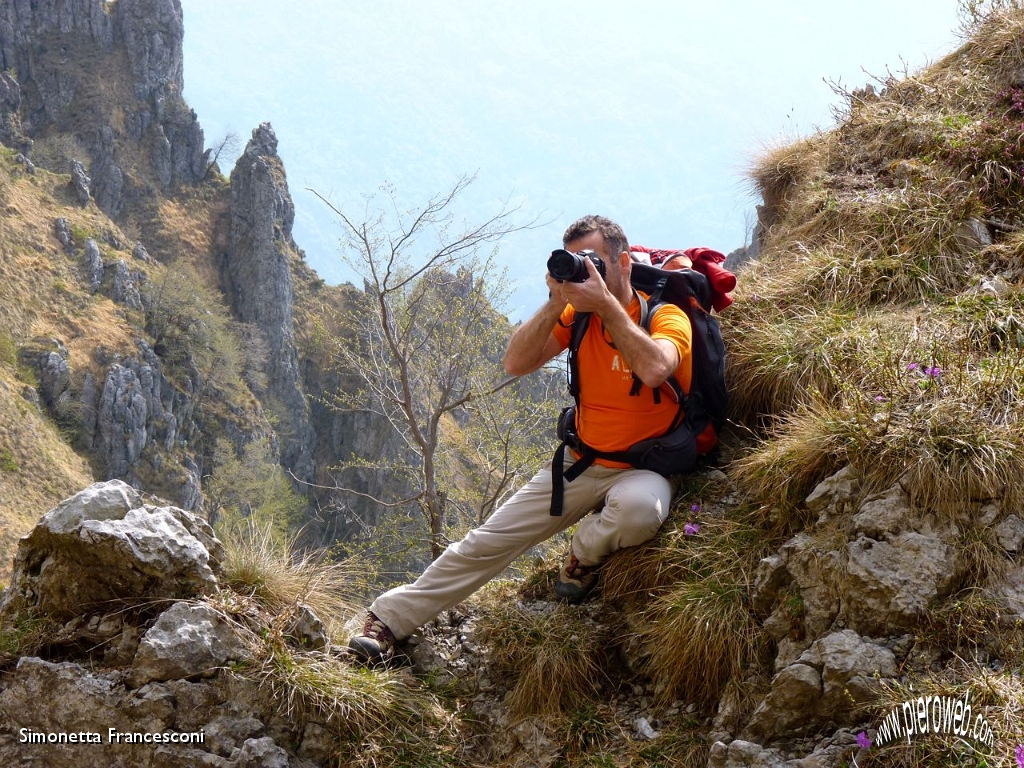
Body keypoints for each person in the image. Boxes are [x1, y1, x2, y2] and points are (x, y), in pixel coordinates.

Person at [348, 214, 693, 663]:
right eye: (576, 262)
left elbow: (654, 369)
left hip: (647, 466)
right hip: (582, 460)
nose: (585, 272)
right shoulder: (577, 318)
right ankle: (388, 621)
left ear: (623, 263)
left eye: (594, 263)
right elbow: (516, 362)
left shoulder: (665, 316)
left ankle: (582, 556)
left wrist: (607, 305)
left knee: (639, 510)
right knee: (486, 542)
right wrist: (556, 301)